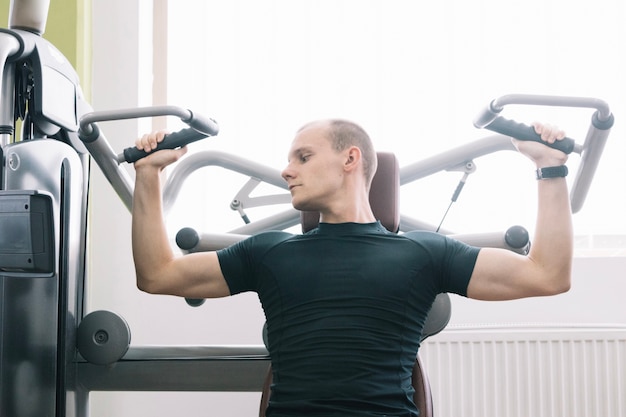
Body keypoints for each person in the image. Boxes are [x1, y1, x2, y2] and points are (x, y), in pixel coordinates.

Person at [131, 119, 572, 416]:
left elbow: (547, 274)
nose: (286, 171)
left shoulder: (424, 254)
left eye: (302, 157)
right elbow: (157, 275)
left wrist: (550, 169)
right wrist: (148, 175)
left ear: (350, 159)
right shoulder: (268, 253)